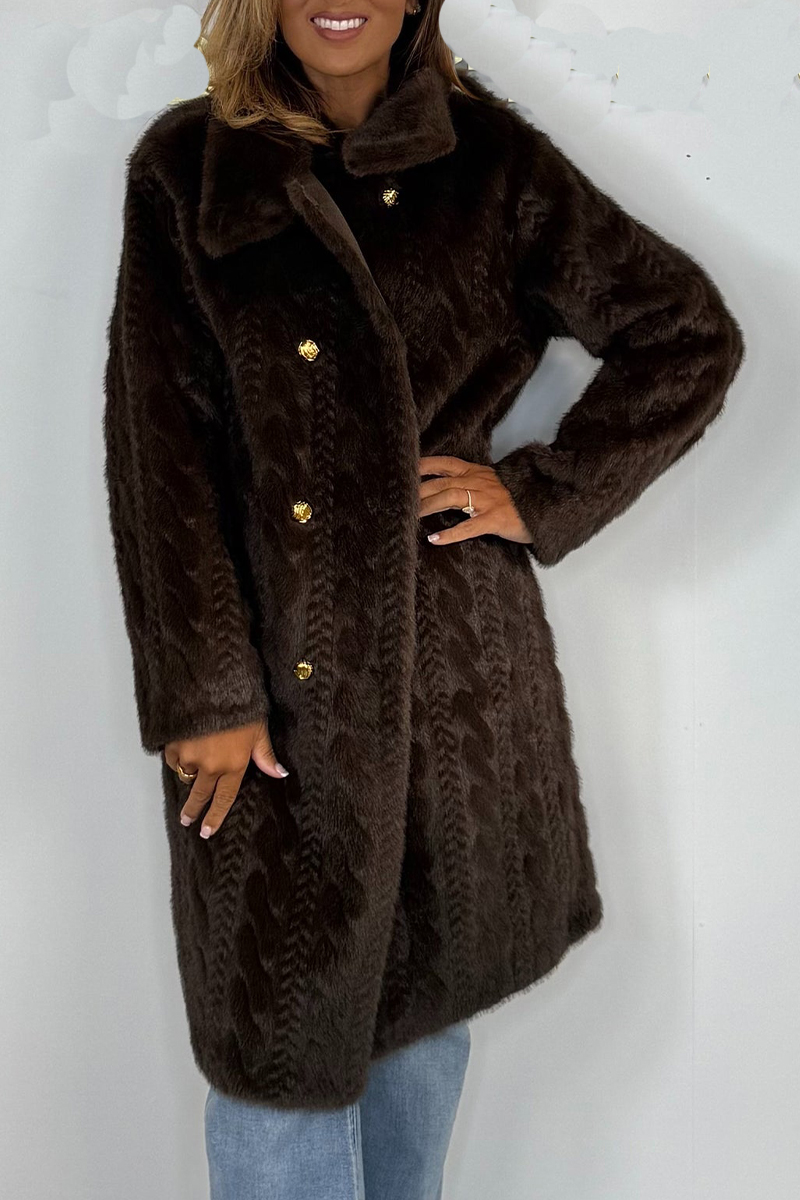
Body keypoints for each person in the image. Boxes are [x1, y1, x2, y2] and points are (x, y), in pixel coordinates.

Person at [101, 0, 745, 1195]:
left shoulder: (489, 162)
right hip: (270, 686)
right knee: (274, 1056)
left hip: (448, 674)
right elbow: (161, 452)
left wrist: (536, 489)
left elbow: (684, 333)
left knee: (419, 1012)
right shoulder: (189, 169)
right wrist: (205, 689)